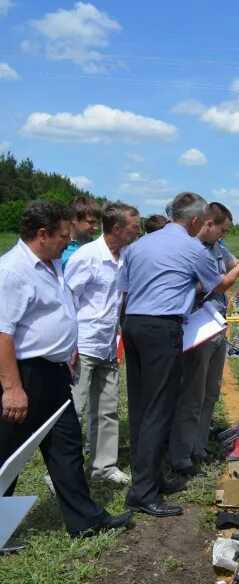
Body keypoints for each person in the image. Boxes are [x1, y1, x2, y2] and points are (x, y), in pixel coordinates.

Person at [0, 201, 133, 537]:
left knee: (66, 447)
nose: (67, 242)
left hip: (55, 372)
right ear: (41, 234)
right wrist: (12, 389)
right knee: (8, 454)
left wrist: (68, 348)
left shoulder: (53, 262)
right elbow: (3, 333)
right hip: (25, 374)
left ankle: (85, 521)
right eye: (62, 236)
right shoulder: (12, 271)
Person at [119, 192, 239, 517]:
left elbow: (124, 290)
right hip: (162, 328)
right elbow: (218, 285)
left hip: (132, 325)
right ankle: (144, 492)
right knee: (159, 408)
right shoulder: (192, 247)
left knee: (140, 407)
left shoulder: (138, 246)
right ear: (194, 221)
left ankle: (149, 478)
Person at [169, 202, 239, 477]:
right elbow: (220, 282)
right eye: (222, 230)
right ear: (208, 224)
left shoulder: (218, 248)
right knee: (192, 394)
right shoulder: (190, 250)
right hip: (197, 328)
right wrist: (222, 277)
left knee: (211, 392)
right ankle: (181, 454)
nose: (223, 236)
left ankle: (199, 445)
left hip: (217, 326)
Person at [65, 202, 141, 485]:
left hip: (108, 344)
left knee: (107, 409)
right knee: (75, 409)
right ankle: (62, 470)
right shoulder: (86, 257)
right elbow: (67, 300)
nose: (139, 231)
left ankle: (103, 467)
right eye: (135, 227)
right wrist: (69, 344)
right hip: (82, 344)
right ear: (118, 229)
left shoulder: (125, 258)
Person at [61, 196, 101, 266]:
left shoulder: (94, 244)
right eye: (91, 222)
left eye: (98, 223)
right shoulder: (59, 248)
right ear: (74, 218)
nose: (96, 227)